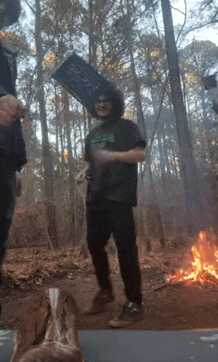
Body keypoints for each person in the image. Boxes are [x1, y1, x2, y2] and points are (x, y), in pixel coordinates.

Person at [76, 88, 146, 328]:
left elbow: (139, 155)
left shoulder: (127, 127)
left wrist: (113, 156)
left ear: (115, 103)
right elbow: (94, 161)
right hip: (96, 197)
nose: (102, 104)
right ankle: (105, 291)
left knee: (125, 248)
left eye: (107, 101)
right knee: (95, 244)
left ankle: (134, 302)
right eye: (98, 101)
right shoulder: (93, 133)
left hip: (120, 197)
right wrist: (85, 171)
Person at [0, 0, 27, 302]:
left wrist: (16, 166)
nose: (3, 24)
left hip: (4, 156)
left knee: (0, 235)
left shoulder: (4, 53)